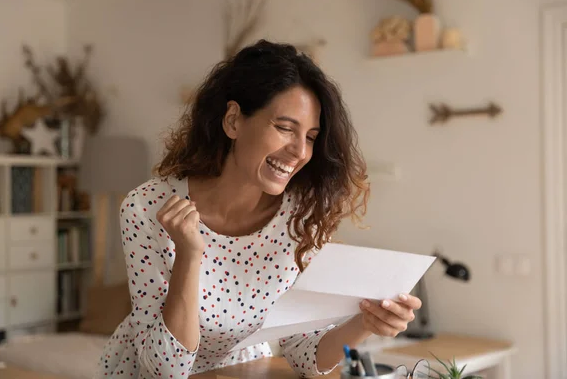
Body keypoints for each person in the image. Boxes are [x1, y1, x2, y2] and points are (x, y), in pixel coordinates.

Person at [96, 39, 421, 378]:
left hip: (246, 370)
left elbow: (305, 355)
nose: (299, 151)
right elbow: (166, 369)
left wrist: (366, 322)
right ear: (234, 120)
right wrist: (190, 255)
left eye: (310, 136)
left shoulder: (301, 217)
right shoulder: (146, 209)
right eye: (284, 128)